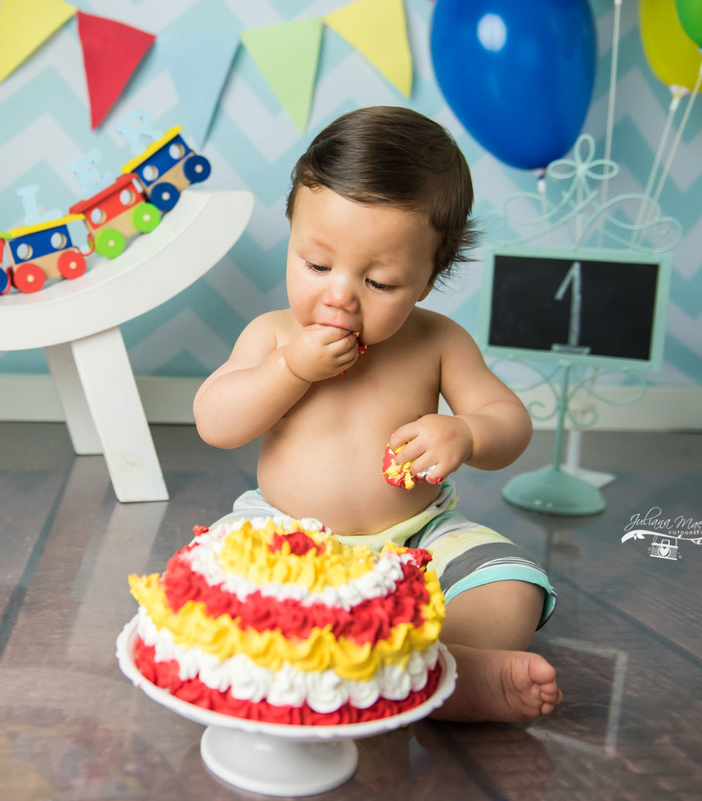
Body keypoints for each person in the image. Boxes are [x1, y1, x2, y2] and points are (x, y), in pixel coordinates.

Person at [192, 106, 560, 723]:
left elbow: (509, 423)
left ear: (428, 278)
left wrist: (468, 432)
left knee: (510, 587)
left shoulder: (438, 341)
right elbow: (215, 422)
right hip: (285, 538)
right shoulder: (273, 335)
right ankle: (383, 669)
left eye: (381, 281)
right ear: (291, 232)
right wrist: (290, 370)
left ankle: (447, 670)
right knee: (216, 589)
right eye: (316, 264)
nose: (340, 294)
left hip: (415, 538)